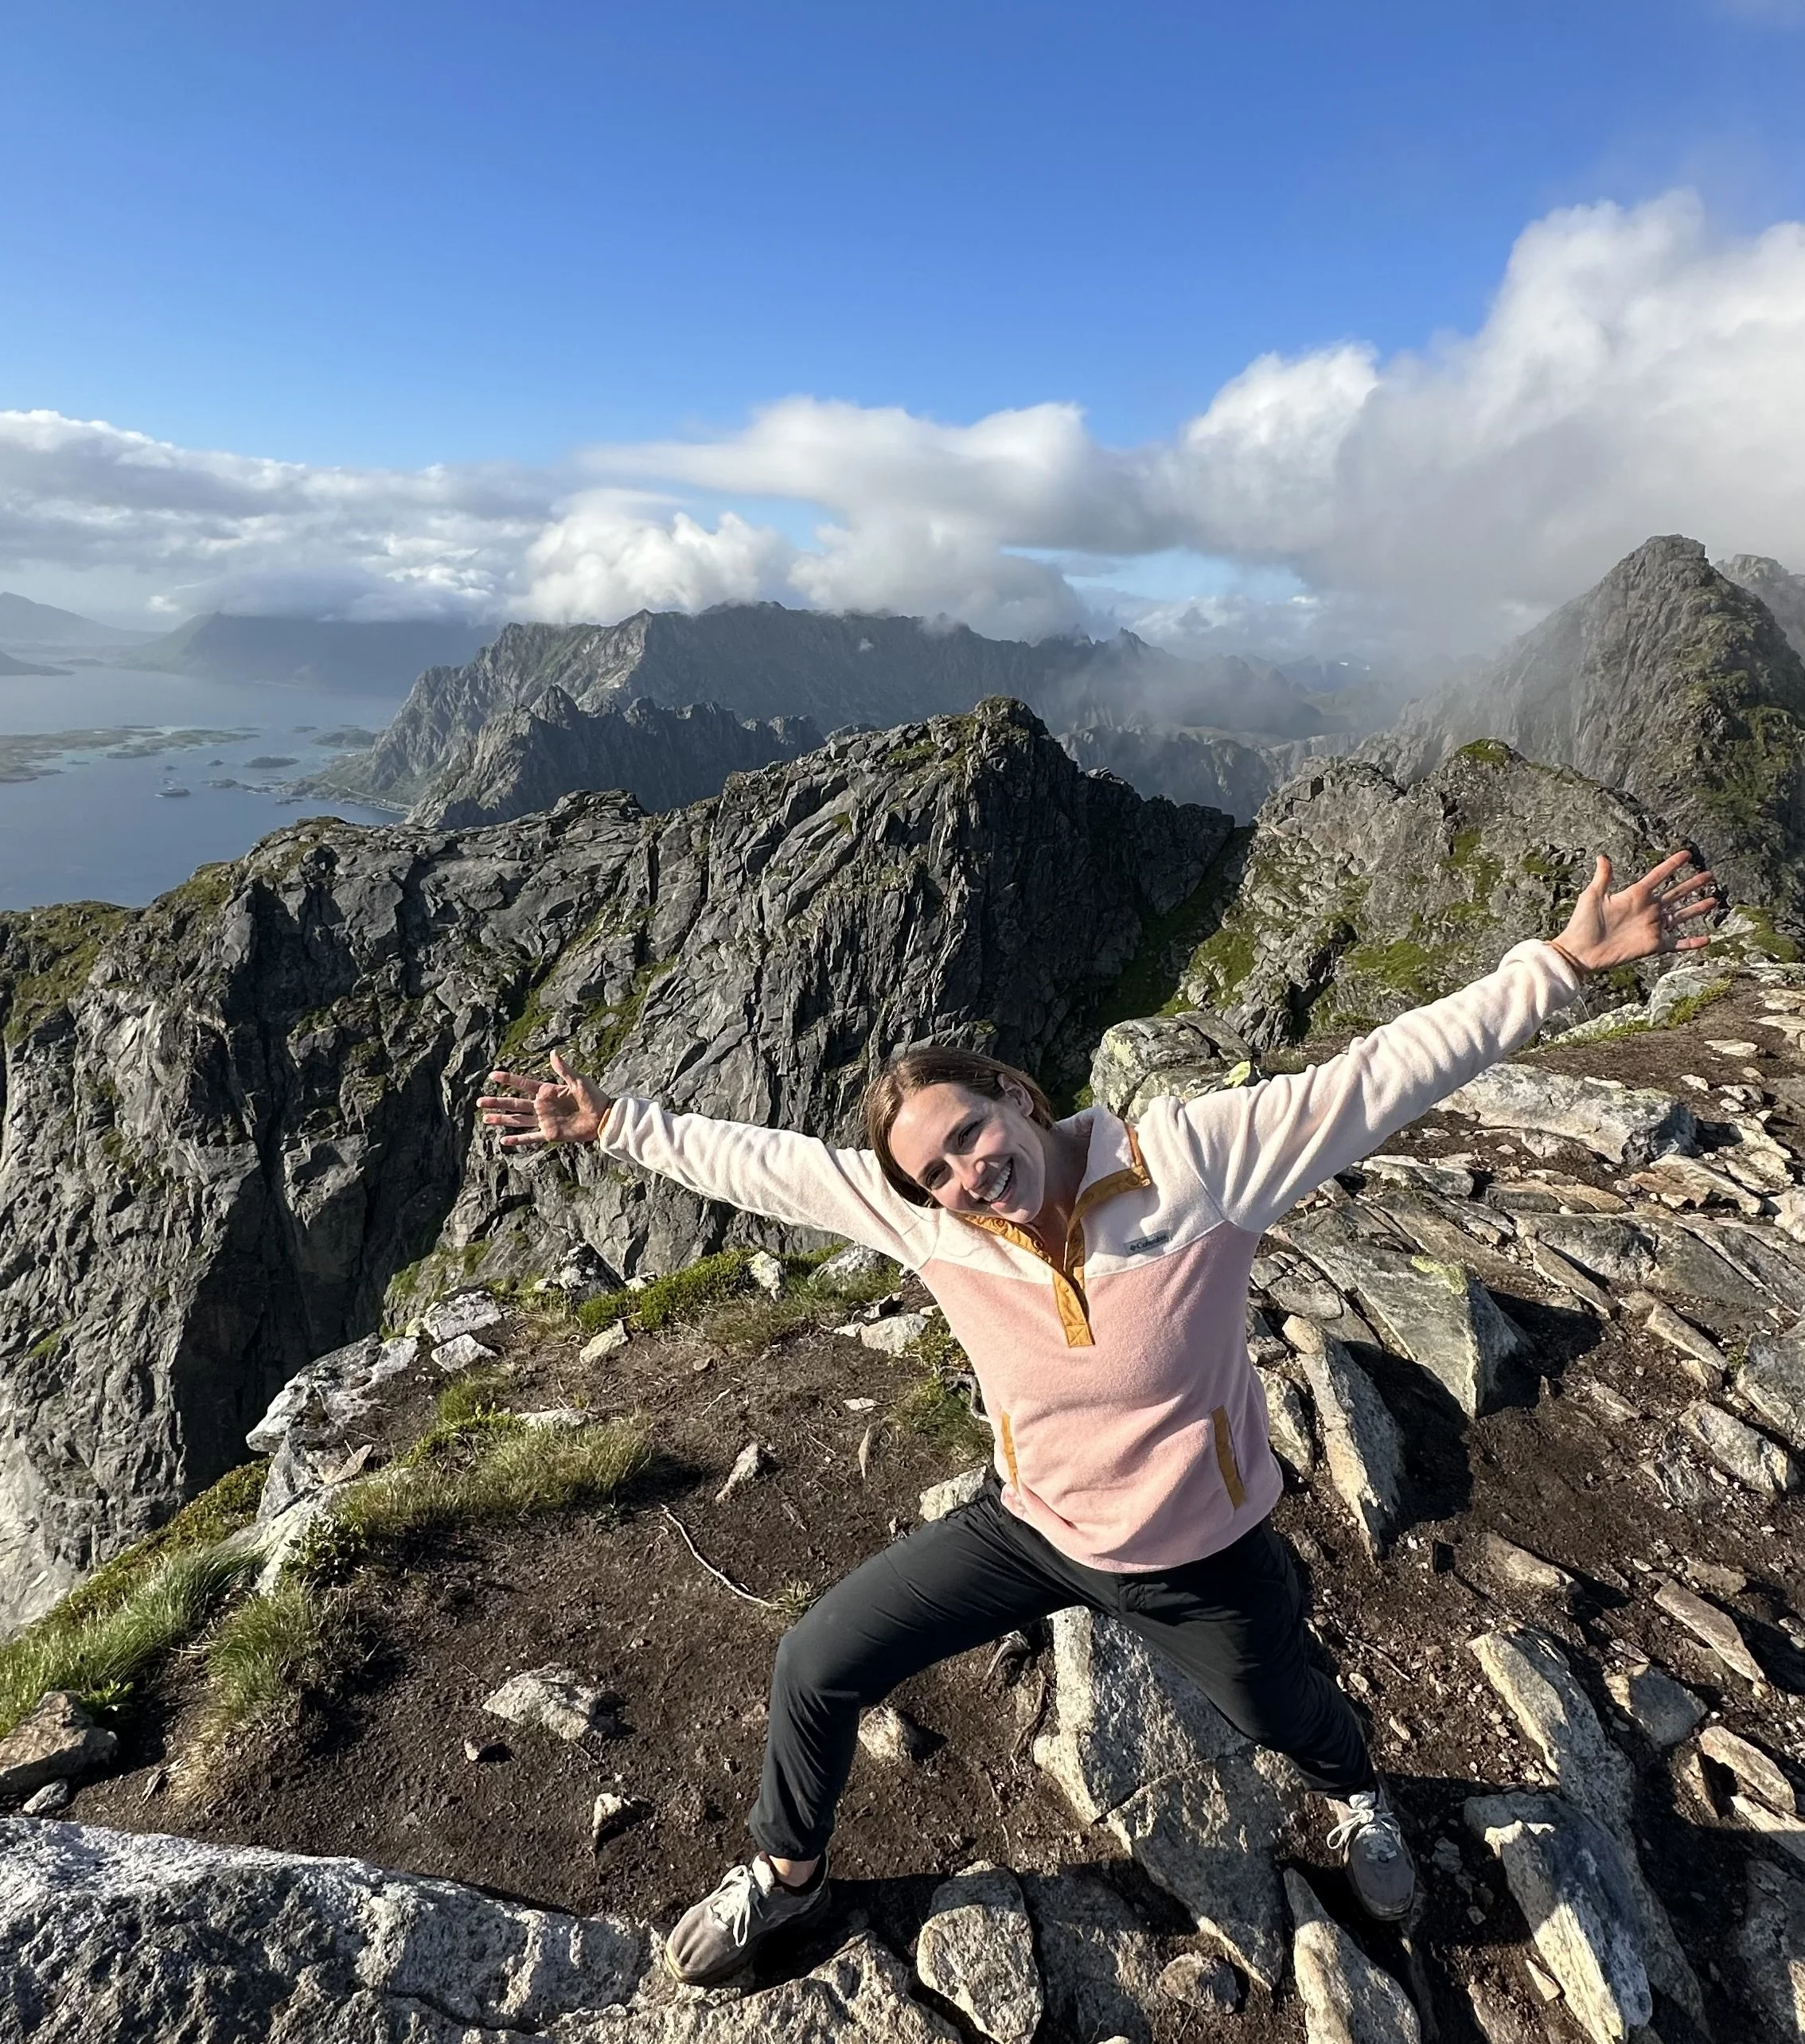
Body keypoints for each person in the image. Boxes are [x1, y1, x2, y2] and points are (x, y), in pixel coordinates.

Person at [479, 847, 1716, 1984]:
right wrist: (613, 1127)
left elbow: (1377, 1076)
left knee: (1286, 1712)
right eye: (936, 1172)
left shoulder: (1195, 1161)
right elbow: (772, 1168)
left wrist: (1556, 968)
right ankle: (790, 1875)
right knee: (815, 1661)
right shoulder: (934, 1221)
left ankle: (1359, 1797)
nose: (969, 1177)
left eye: (971, 1133)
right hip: (1034, 1528)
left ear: (1018, 1095)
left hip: (1201, 1551)